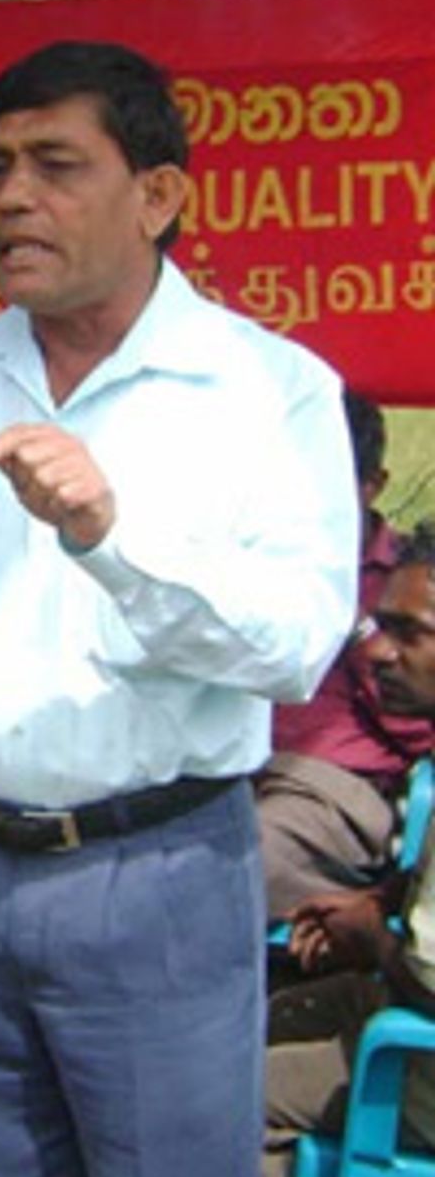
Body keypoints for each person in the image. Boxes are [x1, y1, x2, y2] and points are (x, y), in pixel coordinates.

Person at [0, 40, 359, 1177]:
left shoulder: (270, 390)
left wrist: (110, 535)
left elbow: (296, 641)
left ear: (159, 195)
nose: (11, 196)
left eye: (56, 163)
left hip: (156, 871)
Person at [263, 521, 435, 1177]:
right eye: (378, 628)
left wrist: (369, 940)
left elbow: (427, 982)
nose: (379, 656)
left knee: (200, 1100)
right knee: (230, 1028)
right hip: (398, 1005)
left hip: (416, 1056)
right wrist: (381, 900)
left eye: (409, 632)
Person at [255, 390, 434, 919]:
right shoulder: (257, 563)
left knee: (242, 866)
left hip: (336, 788)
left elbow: (421, 721)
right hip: (230, 765)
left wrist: (356, 631)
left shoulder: (410, 582)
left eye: (323, 485)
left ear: (371, 486)